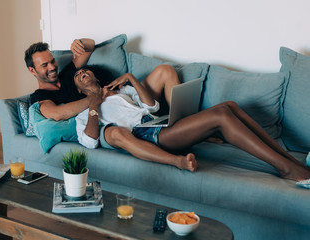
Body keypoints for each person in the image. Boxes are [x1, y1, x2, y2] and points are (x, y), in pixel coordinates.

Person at [73, 67, 310, 182]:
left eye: (85, 70)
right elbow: (90, 141)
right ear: (78, 88)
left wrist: (131, 79)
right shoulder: (83, 111)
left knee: (230, 106)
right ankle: (286, 169)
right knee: (221, 116)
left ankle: (288, 159)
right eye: (78, 75)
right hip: (149, 136)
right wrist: (93, 104)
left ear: (95, 75)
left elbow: (152, 107)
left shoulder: (121, 90)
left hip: (160, 124)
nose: (83, 72)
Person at [25, 40, 180, 122]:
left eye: (52, 61)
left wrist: (79, 43)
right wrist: (97, 97)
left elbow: (90, 46)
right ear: (32, 70)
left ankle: (181, 120)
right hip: (114, 110)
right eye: (45, 65)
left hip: (129, 95)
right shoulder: (40, 96)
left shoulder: (68, 73)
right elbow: (57, 114)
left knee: (165, 70)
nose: (52, 67)